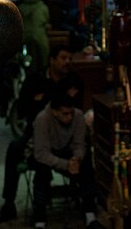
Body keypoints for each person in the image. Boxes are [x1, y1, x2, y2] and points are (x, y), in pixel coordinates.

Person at [0, 46, 85, 223]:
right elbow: (22, 109)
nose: (67, 62)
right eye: (63, 58)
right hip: (36, 133)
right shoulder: (36, 79)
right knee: (14, 149)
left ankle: (83, 198)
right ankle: (9, 203)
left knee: (83, 148)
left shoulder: (74, 81)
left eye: (70, 59)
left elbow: (76, 111)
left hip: (65, 135)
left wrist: (44, 100)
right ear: (52, 59)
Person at [31, 90, 103, 229]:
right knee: (41, 172)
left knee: (86, 164)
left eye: (71, 112)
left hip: (69, 152)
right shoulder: (42, 119)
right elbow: (41, 153)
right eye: (65, 113)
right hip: (48, 152)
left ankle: (90, 215)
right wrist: (65, 164)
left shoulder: (78, 115)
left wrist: (77, 159)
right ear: (54, 112)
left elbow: (80, 144)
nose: (69, 117)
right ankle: (39, 219)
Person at [17, 0, 51, 74]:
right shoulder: (42, 7)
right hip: (40, 39)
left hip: (23, 39)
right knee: (42, 67)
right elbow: (46, 23)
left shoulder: (19, 8)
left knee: (26, 67)